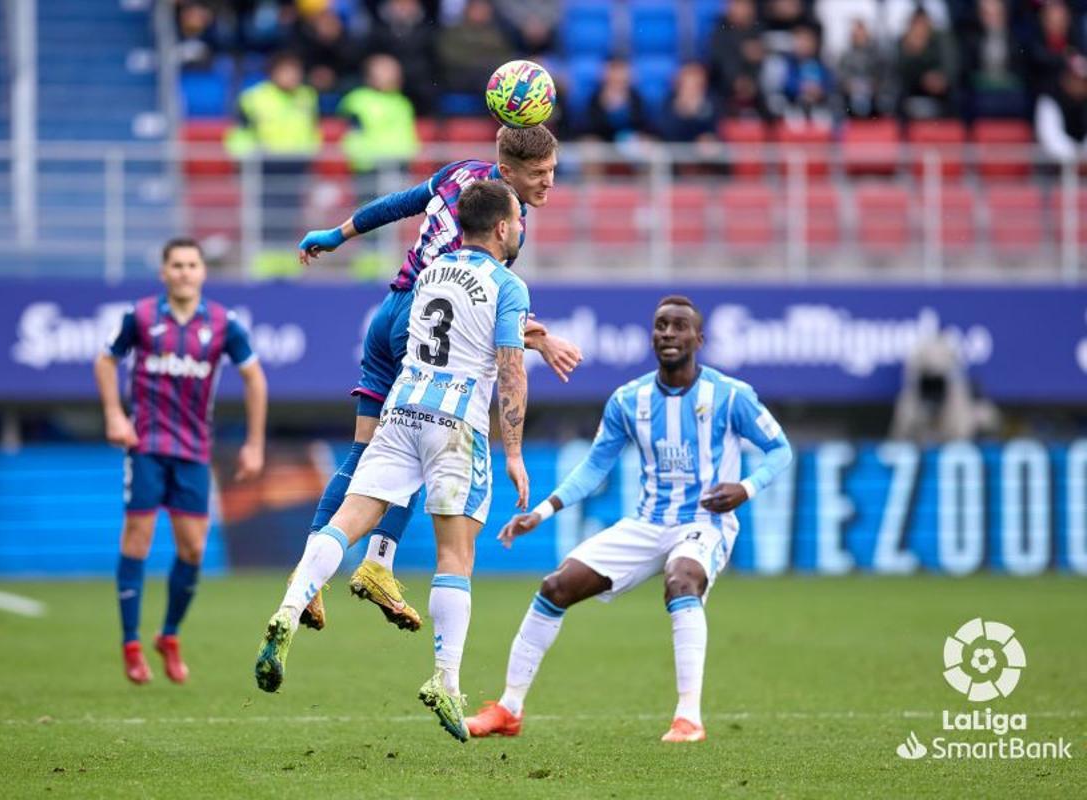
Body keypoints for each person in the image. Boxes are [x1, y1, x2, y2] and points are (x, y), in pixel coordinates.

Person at [255, 181, 532, 742]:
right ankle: (445, 680)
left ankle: (291, 605)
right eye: (518, 221)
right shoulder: (509, 285)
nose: (523, 228)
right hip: (456, 428)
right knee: (456, 554)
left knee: (347, 519)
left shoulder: (430, 272)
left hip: (402, 410)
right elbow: (509, 369)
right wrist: (515, 451)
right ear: (502, 228)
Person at [289, 124, 581, 634]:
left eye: (552, 172)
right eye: (540, 174)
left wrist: (338, 235)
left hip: (388, 311)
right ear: (509, 174)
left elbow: (398, 204)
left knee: (368, 453)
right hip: (421, 321)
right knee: (425, 438)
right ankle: (379, 561)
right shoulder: (509, 225)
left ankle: (307, 576)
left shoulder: (460, 171)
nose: (549, 183)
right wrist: (539, 341)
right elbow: (480, 307)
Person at [465, 296, 793, 743]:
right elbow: (595, 467)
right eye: (661, 326)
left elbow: (781, 451)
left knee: (682, 579)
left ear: (699, 339)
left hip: (704, 521)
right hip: (647, 523)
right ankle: (509, 709)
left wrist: (746, 488)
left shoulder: (730, 396)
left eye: (679, 327)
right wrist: (541, 512)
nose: (668, 334)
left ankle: (688, 717)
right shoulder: (627, 400)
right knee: (554, 587)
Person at [94, 237, 267, 685]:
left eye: (192, 264)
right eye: (177, 265)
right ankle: (130, 643)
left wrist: (254, 443)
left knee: (192, 548)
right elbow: (105, 361)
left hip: (193, 451)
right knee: (138, 539)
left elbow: (255, 379)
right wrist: (115, 414)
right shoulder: (142, 316)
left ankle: (168, 635)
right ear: (163, 272)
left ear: (202, 273)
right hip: (147, 445)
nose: (185, 271)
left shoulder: (224, 324)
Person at [224, 51, 321, 276]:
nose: (292, 76)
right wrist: (246, 159)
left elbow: (312, 129)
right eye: (286, 71)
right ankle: (265, 267)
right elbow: (239, 133)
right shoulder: (253, 97)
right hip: (264, 167)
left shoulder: (307, 96)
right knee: (266, 218)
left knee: (292, 217)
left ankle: (288, 265)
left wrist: (311, 154)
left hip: (296, 166)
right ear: (273, 73)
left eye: (295, 71)